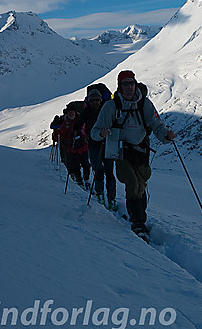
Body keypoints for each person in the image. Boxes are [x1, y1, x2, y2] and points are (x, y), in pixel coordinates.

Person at [91, 70, 175, 239]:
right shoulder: (111, 106)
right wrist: (101, 134)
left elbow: (157, 124)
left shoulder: (145, 104)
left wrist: (166, 135)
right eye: (125, 83)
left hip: (141, 150)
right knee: (132, 182)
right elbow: (94, 131)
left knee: (141, 183)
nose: (129, 87)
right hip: (120, 150)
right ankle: (137, 222)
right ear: (119, 86)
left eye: (131, 83)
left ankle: (139, 218)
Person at [80, 87, 117, 210]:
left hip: (107, 144)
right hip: (94, 144)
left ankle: (110, 197)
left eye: (97, 100)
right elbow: (79, 125)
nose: (95, 102)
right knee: (99, 170)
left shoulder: (106, 109)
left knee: (109, 172)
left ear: (101, 100)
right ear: (89, 101)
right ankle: (101, 193)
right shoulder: (87, 112)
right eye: (92, 100)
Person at [57, 102, 90, 187]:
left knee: (86, 165)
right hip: (72, 149)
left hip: (83, 147)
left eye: (72, 112)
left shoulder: (81, 120)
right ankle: (79, 180)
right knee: (76, 166)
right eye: (69, 112)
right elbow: (63, 136)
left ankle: (86, 180)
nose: (71, 114)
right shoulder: (65, 123)